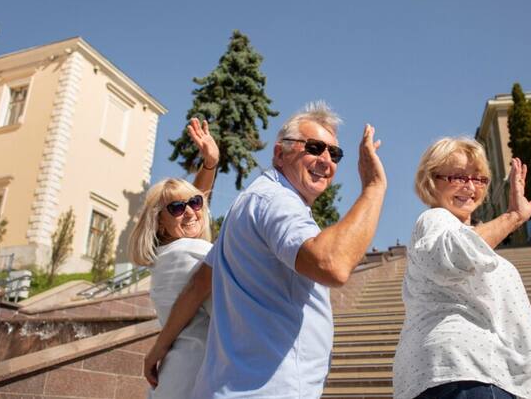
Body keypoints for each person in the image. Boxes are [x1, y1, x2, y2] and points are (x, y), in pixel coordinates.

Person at [143, 101, 387, 398]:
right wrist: (373, 188)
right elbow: (331, 263)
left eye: (333, 153)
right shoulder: (276, 200)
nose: (326, 160)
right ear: (279, 153)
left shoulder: (251, 202)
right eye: (314, 147)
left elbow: (200, 283)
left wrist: (160, 344)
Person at [393, 137, 531, 399]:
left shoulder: (468, 234)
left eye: (478, 179)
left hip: (475, 373)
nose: (470, 186)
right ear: (431, 180)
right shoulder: (435, 219)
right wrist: (513, 217)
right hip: (469, 371)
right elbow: (452, 256)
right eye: (458, 177)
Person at [129, 118, 219, 399]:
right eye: (178, 208)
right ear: (159, 223)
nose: (191, 211)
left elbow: (192, 206)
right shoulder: (188, 252)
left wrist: (210, 165)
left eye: (194, 203)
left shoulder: (171, 252)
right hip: (194, 376)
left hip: (180, 373)